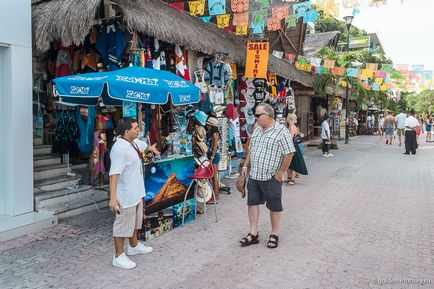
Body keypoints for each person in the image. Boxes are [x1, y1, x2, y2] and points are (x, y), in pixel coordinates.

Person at [240, 103, 295, 249]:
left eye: (258, 115)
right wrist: (245, 166)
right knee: (252, 203)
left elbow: (289, 152)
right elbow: (251, 150)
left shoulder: (281, 131)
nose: (255, 118)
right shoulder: (257, 130)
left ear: (268, 115)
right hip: (255, 175)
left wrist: (280, 173)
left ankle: (274, 234)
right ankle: (253, 233)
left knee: (274, 206)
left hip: (271, 176)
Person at [109, 118, 160, 270]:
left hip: (137, 193)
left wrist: (151, 148)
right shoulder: (119, 149)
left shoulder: (134, 143)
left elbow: (144, 147)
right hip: (125, 195)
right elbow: (114, 174)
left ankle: (134, 245)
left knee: (134, 223)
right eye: (136, 128)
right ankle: (118, 256)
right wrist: (113, 198)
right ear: (126, 132)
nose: (138, 130)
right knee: (122, 225)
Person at [286, 114, 308, 186]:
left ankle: (292, 179)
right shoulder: (292, 126)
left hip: (293, 146)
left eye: (287, 118)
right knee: (290, 162)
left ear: (289, 119)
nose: (286, 119)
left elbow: (290, 138)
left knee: (294, 163)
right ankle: (289, 177)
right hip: (293, 146)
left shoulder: (292, 126)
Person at [205, 117, 221, 203]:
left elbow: (214, 147)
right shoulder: (213, 133)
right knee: (214, 177)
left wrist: (211, 158)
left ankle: (215, 197)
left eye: (208, 125)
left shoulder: (214, 134)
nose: (207, 126)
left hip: (214, 156)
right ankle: (216, 195)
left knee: (214, 177)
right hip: (213, 156)